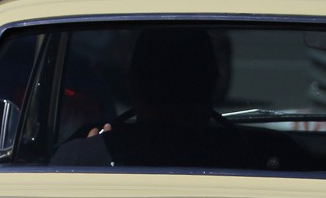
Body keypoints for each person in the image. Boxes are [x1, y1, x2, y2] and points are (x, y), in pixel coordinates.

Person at [51, 28, 251, 167]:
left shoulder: (77, 158)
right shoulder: (250, 160)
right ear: (213, 85)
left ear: (132, 83)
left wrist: (87, 154)